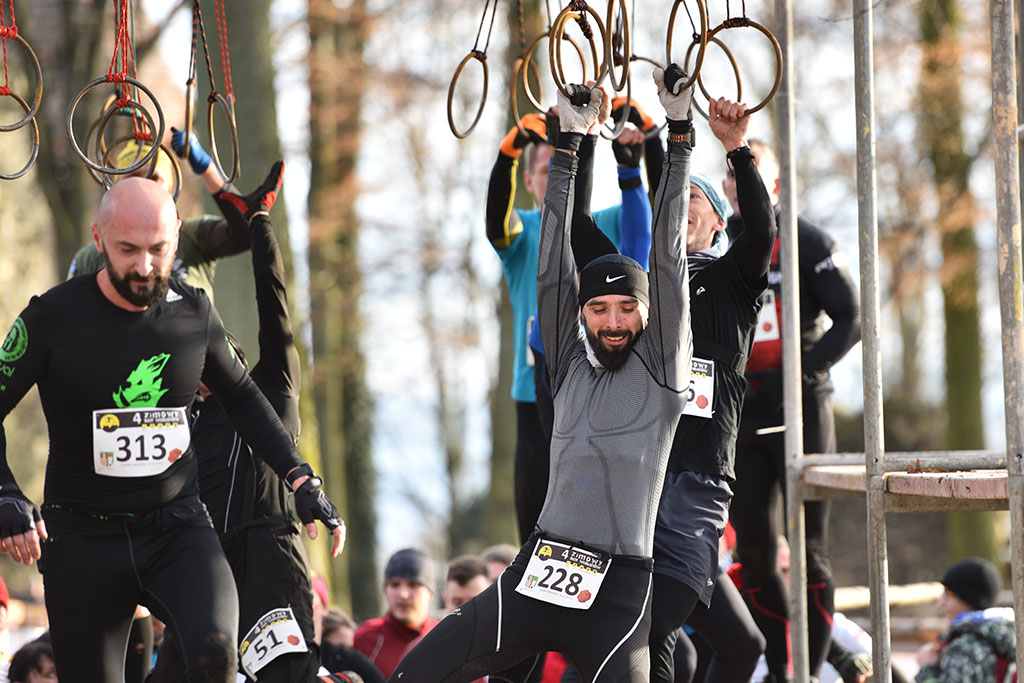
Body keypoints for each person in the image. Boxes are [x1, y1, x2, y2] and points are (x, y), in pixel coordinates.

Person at [389, 66, 693, 682]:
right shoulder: (570, 360)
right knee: (413, 674)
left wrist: (680, 136)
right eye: (599, 309)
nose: (613, 322)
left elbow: (667, 255)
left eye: (626, 309)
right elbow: (553, 261)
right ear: (581, 315)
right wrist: (568, 144)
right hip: (538, 572)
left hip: (616, 595)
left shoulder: (663, 371)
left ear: (647, 315)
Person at [0, 177, 342, 683]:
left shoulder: (194, 313)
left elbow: (244, 397)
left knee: (216, 653)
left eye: (158, 249)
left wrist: (300, 477)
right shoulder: (51, 317)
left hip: (177, 530)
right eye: (127, 250)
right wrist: (6, 493)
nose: (144, 267)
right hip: (83, 539)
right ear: (98, 239)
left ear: (177, 237)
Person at [144, 163, 344, 683]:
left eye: (218, 358)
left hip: (271, 559)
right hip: (207, 565)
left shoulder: (272, 386)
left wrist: (259, 225)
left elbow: (274, 303)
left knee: (287, 676)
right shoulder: (181, 416)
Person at [485, 104, 657, 545]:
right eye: (548, 169)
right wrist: (508, 152)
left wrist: (641, 141)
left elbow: (650, 233)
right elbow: (495, 223)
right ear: (529, 181)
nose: (559, 173)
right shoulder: (524, 231)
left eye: (568, 161)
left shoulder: (607, 221)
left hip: (598, 385)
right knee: (534, 520)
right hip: (534, 392)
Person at [725, 138, 861, 682]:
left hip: (801, 408)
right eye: (731, 174)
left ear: (775, 184)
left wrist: (800, 373)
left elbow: (852, 317)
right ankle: (786, 669)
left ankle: (810, 668)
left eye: (752, 173)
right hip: (741, 412)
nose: (738, 183)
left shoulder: (807, 239)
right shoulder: (721, 240)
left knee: (809, 548)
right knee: (754, 550)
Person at [66, 132, 252, 303]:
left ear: (170, 189)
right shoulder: (90, 257)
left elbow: (251, 233)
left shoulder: (193, 236)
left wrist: (208, 169)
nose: (143, 185)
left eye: (153, 177)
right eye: (127, 249)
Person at [915, 558, 1015, 683]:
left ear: (970, 598)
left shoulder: (965, 647)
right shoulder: (1007, 636)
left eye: (948, 595)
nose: (940, 603)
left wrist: (927, 669)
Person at [353, 548, 439, 678]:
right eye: (395, 585)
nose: (403, 594)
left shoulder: (445, 636)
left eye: (413, 585)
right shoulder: (364, 639)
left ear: (430, 592)